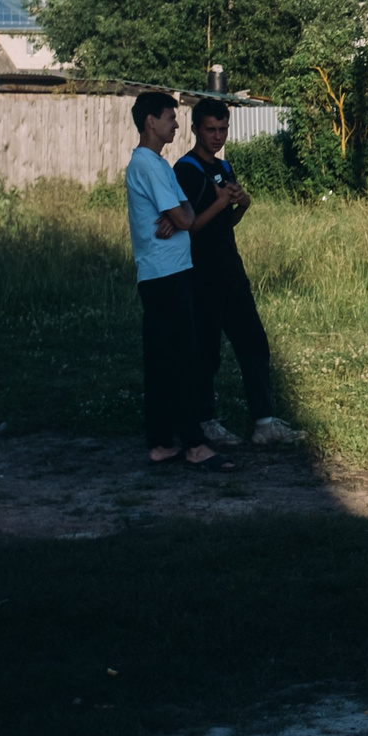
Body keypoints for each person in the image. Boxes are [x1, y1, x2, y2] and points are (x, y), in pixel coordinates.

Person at [175, 99, 298, 446]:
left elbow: (224, 222)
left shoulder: (224, 167)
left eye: (223, 129)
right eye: (211, 129)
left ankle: (265, 422)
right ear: (195, 128)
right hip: (201, 275)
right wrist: (218, 203)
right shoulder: (185, 170)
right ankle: (204, 421)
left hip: (231, 270)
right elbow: (188, 228)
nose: (217, 136)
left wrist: (242, 204)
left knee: (254, 342)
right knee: (206, 352)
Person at [126, 91, 235, 471]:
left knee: (159, 360)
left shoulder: (157, 164)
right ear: (150, 122)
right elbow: (188, 219)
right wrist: (181, 213)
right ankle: (194, 445)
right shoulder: (150, 166)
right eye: (170, 118)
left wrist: (180, 212)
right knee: (183, 358)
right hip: (166, 274)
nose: (175, 124)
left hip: (162, 273)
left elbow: (184, 210)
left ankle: (159, 443)